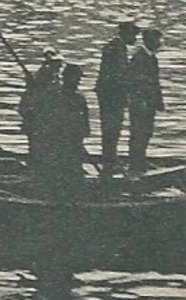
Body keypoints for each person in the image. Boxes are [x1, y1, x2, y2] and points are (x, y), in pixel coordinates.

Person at [38, 62, 91, 192]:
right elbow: (47, 117)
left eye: (78, 79)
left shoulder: (79, 98)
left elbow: (85, 120)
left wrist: (82, 132)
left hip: (74, 138)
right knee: (58, 167)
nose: (76, 82)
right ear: (65, 78)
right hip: (58, 138)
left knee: (74, 166)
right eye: (74, 78)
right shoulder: (55, 96)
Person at [93, 21, 138, 176]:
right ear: (126, 34)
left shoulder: (116, 47)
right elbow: (118, 75)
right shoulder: (116, 48)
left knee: (112, 128)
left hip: (110, 94)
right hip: (112, 95)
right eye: (134, 35)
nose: (136, 39)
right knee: (112, 128)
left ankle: (110, 159)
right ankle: (109, 161)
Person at [126, 27, 165, 173]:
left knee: (146, 131)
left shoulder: (151, 57)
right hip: (140, 101)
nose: (160, 43)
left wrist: (159, 101)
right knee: (138, 132)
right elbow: (135, 81)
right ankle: (135, 163)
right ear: (149, 40)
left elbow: (155, 82)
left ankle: (140, 160)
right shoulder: (139, 57)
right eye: (158, 39)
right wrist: (140, 99)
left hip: (149, 101)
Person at [20, 51, 63, 174]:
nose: (59, 67)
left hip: (49, 120)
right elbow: (30, 102)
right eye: (57, 64)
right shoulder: (42, 78)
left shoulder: (54, 78)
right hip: (38, 120)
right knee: (38, 149)